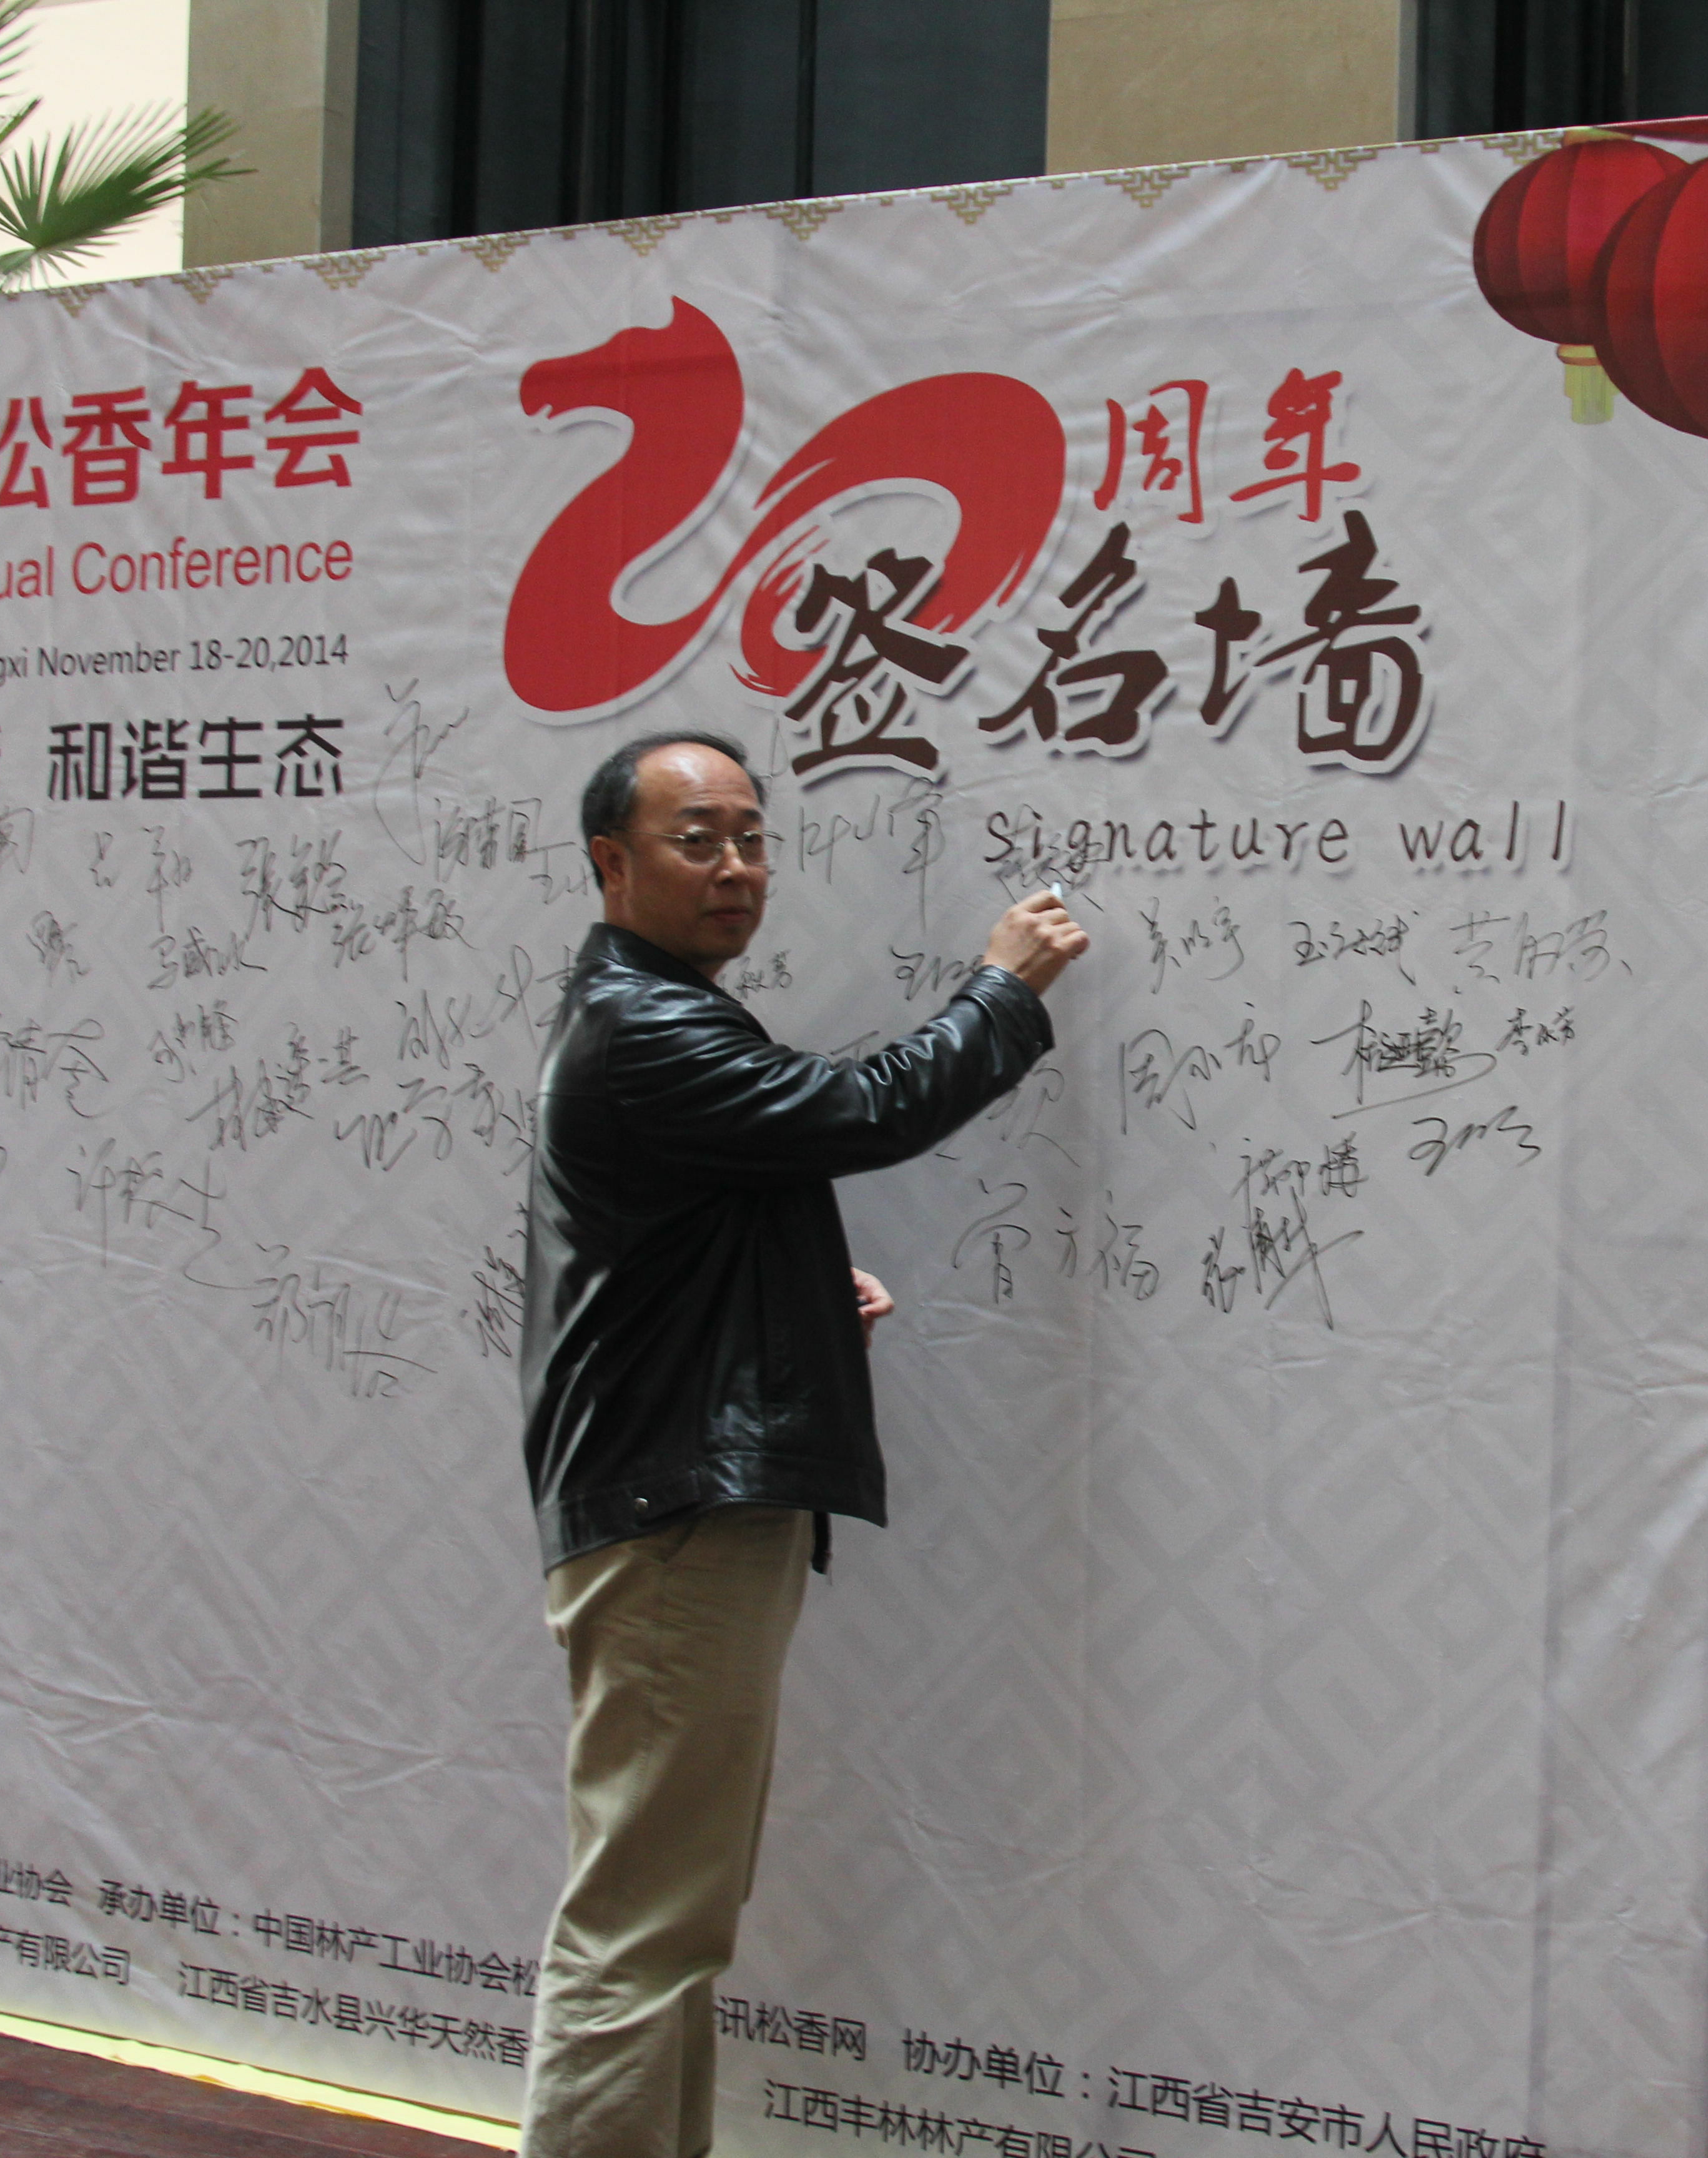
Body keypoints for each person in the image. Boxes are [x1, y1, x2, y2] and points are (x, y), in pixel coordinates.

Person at [516, 730, 1087, 2157]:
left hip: (679, 1505)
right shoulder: (646, 1027)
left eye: (752, 838)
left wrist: (798, 1306)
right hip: (674, 1522)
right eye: (697, 839)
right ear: (611, 862)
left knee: (673, 1912)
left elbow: (683, 1241)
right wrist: (1001, 990)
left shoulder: (657, 1013)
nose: (736, 868)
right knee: (644, 1923)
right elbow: (862, 1111)